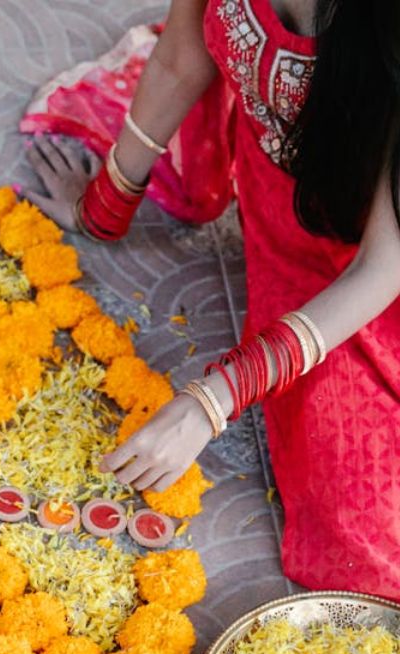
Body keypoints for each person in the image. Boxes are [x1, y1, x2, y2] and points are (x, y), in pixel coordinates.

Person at [21, 0, 400, 599]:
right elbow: (177, 58)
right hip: (284, 215)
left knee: (368, 543)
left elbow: (383, 266)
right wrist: (103, 208)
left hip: (375, 270)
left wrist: (209, 402)